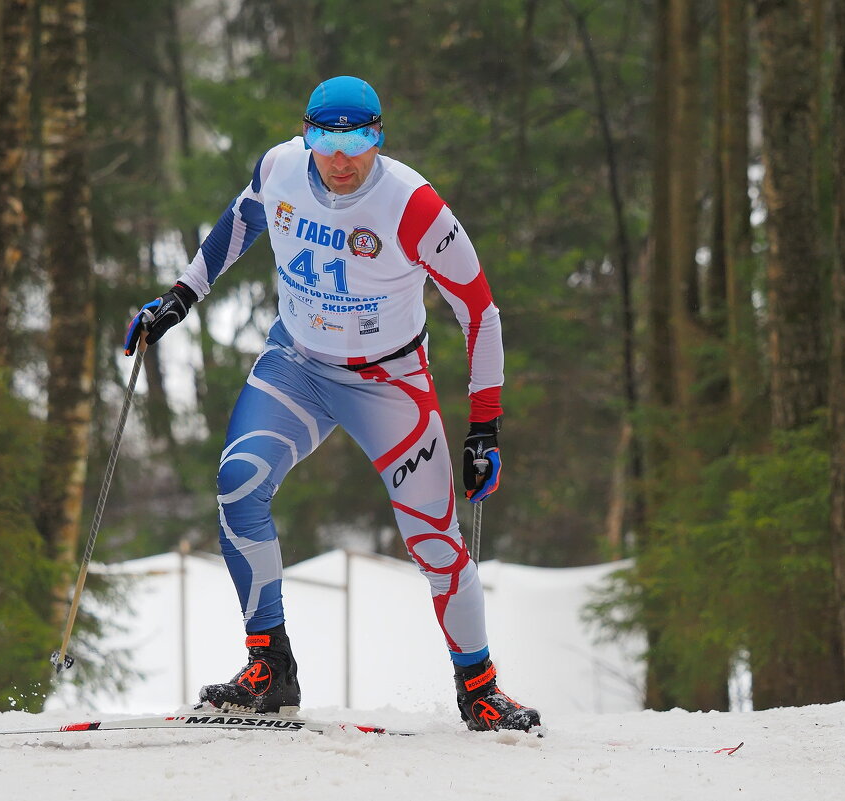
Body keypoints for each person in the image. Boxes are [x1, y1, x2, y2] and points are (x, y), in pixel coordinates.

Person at [125, 76, 540, 732]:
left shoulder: (414, 204)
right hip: (296, 363)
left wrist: (484, 422)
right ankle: (270, 669)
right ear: (305, 134)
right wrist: (181, 294)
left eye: (359, 141)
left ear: (380, 137)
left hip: (389, 381)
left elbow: (479, 309)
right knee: (239, 483)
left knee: (434, 537)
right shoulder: (281, 168)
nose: (342, 159)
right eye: (325, 139)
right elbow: (241, 221)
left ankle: (480, 688)